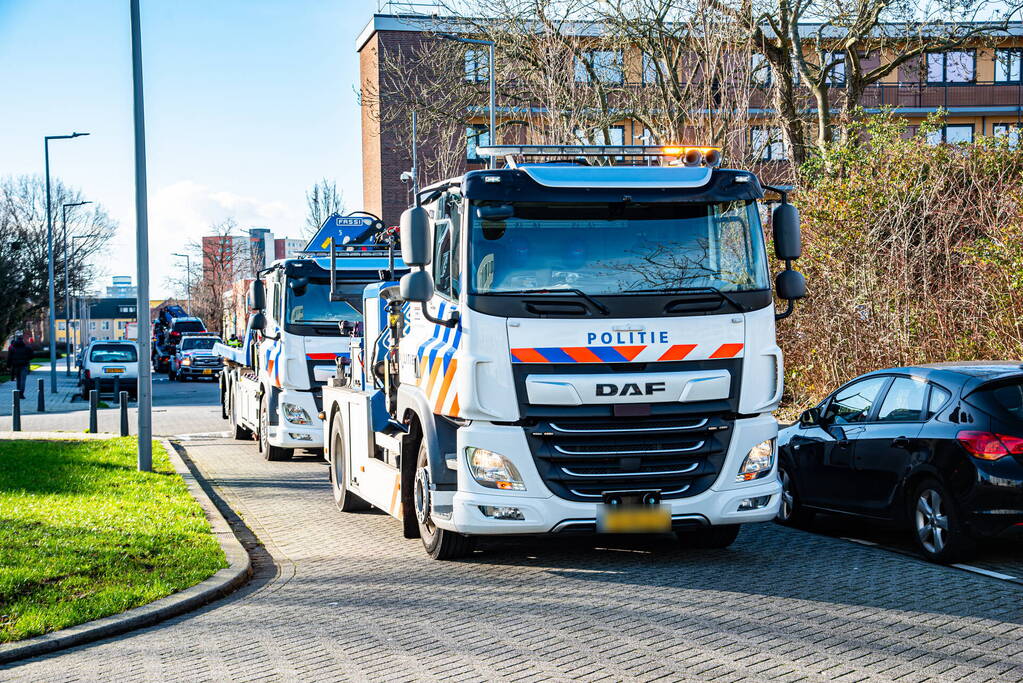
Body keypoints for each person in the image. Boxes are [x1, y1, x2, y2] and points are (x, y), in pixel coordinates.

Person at [7, 332, 34, 399]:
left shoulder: (12, 348)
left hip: (16, 366)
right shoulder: (27, 348)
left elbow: (9, 357)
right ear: (22, 340)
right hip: (24, 365)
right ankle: (21, 394)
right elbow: (32, 356)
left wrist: (8, 366)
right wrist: (27, 359)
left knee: (18, 380)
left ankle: (18, 393)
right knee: (23, 380)